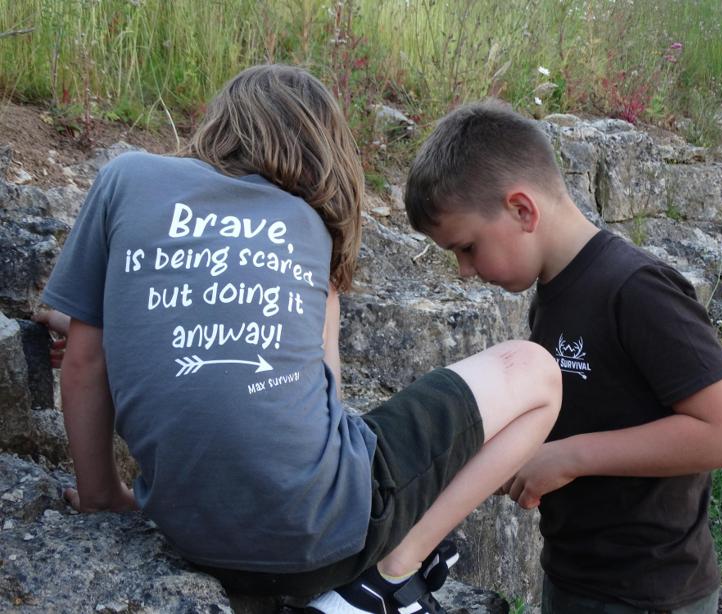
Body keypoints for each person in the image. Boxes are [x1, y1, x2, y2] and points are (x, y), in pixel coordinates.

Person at [39, 65, 562, 614]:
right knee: (535, 372)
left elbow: (85, 358)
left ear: (221, 122)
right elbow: (326, 395)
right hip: (325, 543)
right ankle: (388, 575)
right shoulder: (311, 224)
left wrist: (101, 497)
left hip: (189, 536)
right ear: (321, 147)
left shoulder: (126, 179)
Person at [403, 99, 722, 614]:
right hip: (575, 579)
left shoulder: (637, 290)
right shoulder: (553, 292)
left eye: (467, 247)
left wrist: (570, 457)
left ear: (522, 209)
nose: (463, 271)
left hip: (653, 593)